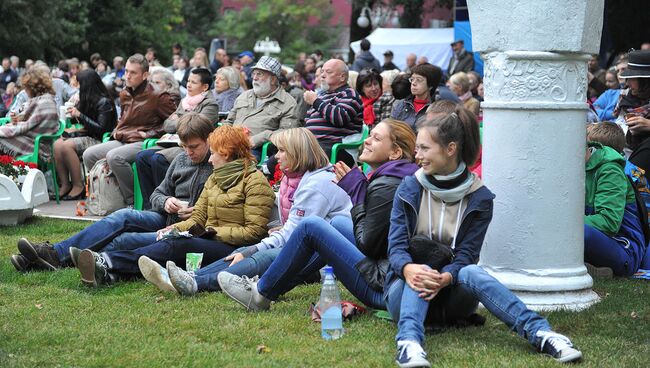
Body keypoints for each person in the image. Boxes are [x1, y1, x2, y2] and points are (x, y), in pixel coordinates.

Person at [385, 108, 582, 367]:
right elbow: (396, 248)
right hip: (404, 293)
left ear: (450, 149)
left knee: (470, 272)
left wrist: (447, 277)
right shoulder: (410, 186)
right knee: (421, 269)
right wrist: (408, 268)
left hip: (453, 297)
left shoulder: (480, 197)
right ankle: (409, 343)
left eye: (423, 148)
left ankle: (542, 333)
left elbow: (467, 255)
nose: (417, 155)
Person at [217, 119, 418, 312]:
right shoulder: (391, 178)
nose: (366, 140)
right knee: (337, 222)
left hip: (381, 285)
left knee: (311, 226)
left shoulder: (386, 186)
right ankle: (275, 280)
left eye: (376, 138)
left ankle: (260, 293)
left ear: (395, 152)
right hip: (385, 268)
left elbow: (369, 245)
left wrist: (357, 194)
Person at [140, 127, 352, 295]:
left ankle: (194, 281)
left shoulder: (315, 185)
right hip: (305, 249)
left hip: (326, 262)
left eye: (282, 150)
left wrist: (246, 246)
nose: (276, 157)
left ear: (298, 153)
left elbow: (289, 234)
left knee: (262, 257)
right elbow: (297, 228)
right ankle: (189, 279)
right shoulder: (296, 179)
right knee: (238, 253)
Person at [73, 124, 275, 287]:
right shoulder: (216, 178)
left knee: (175, 245)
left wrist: (210, 232)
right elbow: (197, 218)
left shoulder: (254, 182)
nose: (210, 159)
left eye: (214, 153)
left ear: (227, 154)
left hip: (233, 248)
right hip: (209, 238)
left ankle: (108, 262)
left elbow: (254, 232)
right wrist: (174, 228)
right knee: (167, 240)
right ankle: (109, 272)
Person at [10, 113, 214, 272]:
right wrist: (166, 201)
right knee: (123, 215)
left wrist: (197, 212)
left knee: (124, 240)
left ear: (209, 140)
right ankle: (55, 253)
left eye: (193, 147)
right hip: (166, 218)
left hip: (187, 229)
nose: (188, 152)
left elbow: (221, 210)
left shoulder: (217, 165)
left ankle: (45, 259)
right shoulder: (180, 159)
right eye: (184, 146)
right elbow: (157, 194)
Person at [82, 54, 177, 206]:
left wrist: (150, 133)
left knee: (115, 157)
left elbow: (174, 121)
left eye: (133, 72)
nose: (127, 75)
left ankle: (132, 202)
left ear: (145, 75)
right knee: (89, 154)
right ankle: (107, 198)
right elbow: (125, 118)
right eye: (126, 71)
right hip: (123, 138)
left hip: (143, 141)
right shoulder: (124, 92)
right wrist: (117, 129)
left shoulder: (159, 95)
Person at [136, 68, 219, 209]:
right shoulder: (186, 101)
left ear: (204, 87)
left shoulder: (210, 104)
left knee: (158, 159)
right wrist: (183, 121)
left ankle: (170, 201)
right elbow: (168, 124)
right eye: (188, 81)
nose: (188, 85)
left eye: (193, 82)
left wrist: (180, 120)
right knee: (142, 157)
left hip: (186, 144)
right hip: (173, 142)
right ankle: (149, 206)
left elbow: (196, 128)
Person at [584, 122, 646, 277]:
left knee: (580, 232)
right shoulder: (572, 167)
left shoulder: (610, 170)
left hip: (624, 248)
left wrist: (563, 223)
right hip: (601, 243)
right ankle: (592, 268)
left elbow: (609, 223)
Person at [54, 69, 117, 200]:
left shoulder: (104, 102)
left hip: (100, 140)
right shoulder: (87, 99)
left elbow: (101, 129)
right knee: (57, 144)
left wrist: (80, 115)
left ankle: (78, 186)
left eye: (79, 84)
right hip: (89, 136)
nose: (77, 87)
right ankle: (65, 184)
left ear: (86, 84)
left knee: (66, 146)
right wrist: (73, 116)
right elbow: (86, 124)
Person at [225, 56, 299, 160]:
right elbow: (229, 121)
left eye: (259, 74)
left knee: (239, 162)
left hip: (256, 149)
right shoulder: (244, 96)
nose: (254, 78)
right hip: (230, 144)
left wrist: (262, 137)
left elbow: (287, 134)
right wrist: (223, 135)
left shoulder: (287, 102)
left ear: (273, 79)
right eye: (254, 74)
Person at [304, 58, 363, 167]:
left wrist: (315, 101)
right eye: (322, 72)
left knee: (305, 153)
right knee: (282, 151)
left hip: (336, 149)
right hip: (315, 145)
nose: (322, 75)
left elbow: (339, 118)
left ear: (342, 77)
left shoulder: (349, 94)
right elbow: (308, 122)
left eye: (328, 72)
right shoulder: (322, 96)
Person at [0, 67, 58, 160]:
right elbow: (29, 121)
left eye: (26, 87)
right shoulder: (45, 100)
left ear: (33, 87)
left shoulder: (43, 103)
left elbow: (25, 127)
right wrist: (17, 119)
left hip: (39, 145)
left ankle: (8, 169)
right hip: (38, 140)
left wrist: (5, 129)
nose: (25, 91)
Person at [616, 50, 650, 171]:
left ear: (645, 81)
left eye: (632, 78)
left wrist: (648, 125)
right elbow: (619, 123)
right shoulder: (626, 98)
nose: (627, 83)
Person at [391, 63, 443, 130]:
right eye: (412, 79)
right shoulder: (399, 104)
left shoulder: (438, 108)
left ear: (430, 86)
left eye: (419, 80)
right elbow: (391, 130)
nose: (413, 83)